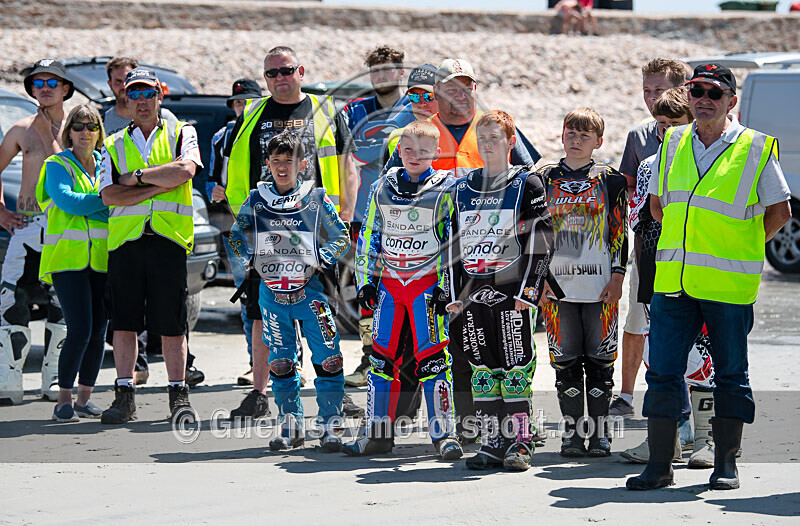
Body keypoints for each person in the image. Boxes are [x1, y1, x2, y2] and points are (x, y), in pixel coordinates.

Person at [627, 64, 791, 491]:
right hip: (673, 283)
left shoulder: (755, 147)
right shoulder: (673, 142)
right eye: (696, 91)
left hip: (727, 286)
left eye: (714, 93)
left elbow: (780, 213)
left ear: (731, 101)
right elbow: (658, 206)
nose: (703, 99)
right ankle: (660, 465)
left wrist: (742, 247)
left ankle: (726, 464)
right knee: (662, 373)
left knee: (730, 375)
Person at [381, 58, 542, 438]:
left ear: (474, 89)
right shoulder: (420, 130)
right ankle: (414, 423)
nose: (459, 94)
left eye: (465, 87)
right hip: (422, 259)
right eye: (450, 87)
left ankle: (501, 427)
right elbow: (391, 189)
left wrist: (532, 276)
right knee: (425, 347)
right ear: (437, 92)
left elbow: (529, 179)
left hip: (486, 263)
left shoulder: (491, 126)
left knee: (493, 349)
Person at [220, 46, 361, 418]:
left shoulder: (325, 110)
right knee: (262, 317)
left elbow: (348, 166)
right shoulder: (251, 114)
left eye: (286, 70)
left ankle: (334, 397)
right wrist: (246, 231)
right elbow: (235, 170)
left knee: (322, 316)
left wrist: (344, 218)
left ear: (301, 71)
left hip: (315, 234)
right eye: (272, 73)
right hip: (266, 236)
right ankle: (260, 393)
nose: (279, 78)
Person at [343, 120, 461, 460]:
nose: (415, 156)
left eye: (423, 151)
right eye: (408, 149)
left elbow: (454, 240)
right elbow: (369, 234)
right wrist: (365, 281)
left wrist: (448, 288)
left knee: (434, 359)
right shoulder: (383, 185)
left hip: (427, 286)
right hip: (391, 287)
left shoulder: (448, 188)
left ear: (436, 152)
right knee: (380, 359)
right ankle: (377, 434)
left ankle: (444, 435)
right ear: (399, 150)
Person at [228, 130, 350, 451]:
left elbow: (341, 236)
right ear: (267, 163)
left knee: (328, 359)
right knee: (281, 362)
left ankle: (331, 425)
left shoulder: (316, 198)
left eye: (290, 160)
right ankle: (290, 425)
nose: (283, 167)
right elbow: (236, 235)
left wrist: (320, 259)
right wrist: (252, 260)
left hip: (312, 294)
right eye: (277, 160)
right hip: (272, 294)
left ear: (303, 164)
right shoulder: (256, 199)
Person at [447, 110, 553, 471]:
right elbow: (452, 245)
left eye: (495, 138)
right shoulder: (462, 187)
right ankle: (492, 440)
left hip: (513, 294)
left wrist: (529, 290)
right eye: (483, 139)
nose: (488, 145)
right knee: (482, 368)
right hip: (473, 294)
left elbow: (543, 238)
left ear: (511, 142)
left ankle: (520, 440)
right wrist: (454, 297)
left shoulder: (527, 183)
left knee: (515, 368)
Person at [98, 67, 203, 424]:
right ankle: (124, 396)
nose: (142, 101)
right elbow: (109, 194)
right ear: (125, 99)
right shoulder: (112, 142)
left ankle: (178, 394)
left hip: (168, 240)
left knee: (172, 325)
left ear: (160, 95)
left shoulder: (182, 132)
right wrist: (160, 183)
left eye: (148, 94)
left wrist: (138, 178)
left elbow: (185, 171)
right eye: (134, 94)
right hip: (126, 243)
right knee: (124, 323)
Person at [622, 88, 719, 468]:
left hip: (697, 270)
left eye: (674, 123)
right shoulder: (650, 164)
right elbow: (640, 216)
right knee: (657, 357)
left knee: (702, 354)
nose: (665, 131)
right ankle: (668, 437)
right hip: (654, 269)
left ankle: (707, 436)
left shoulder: (706, 162)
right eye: (660, 124)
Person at [536, 108, 627, 458]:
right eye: (570, 133)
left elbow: (620, 231)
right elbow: (534, 235)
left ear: (598, 141)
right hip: (556, 289)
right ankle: (572, 435)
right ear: (562, 136)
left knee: (601, 362)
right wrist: (538, 280)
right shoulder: (543, 178)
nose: (576, 140)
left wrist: (618, 276)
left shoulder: (610, 179)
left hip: (600, 287)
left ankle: (600, 434)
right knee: (565, 363)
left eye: (584, 135)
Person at [611, 58, 689, 420]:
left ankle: (688, 403)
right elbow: (628, 189)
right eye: (646, 90)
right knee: (637, 319)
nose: (651, 96)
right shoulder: (639, 137)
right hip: (647, 246)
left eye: (659, 89)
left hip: (688, 250)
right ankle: (627, 395)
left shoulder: (698, 132)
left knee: (682, 326)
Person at [342, 45, 416, 389]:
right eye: (375, 71)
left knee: (412, 292)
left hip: (410, 220)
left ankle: (411, 361)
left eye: (387, 70)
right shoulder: (354, 110)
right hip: (365, 218)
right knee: (369, 294)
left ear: (401, 73)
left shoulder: (416, 106)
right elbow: (347, 156)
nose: (381, 77)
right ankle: (370, 360)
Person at [0, 59, 71, 404]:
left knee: (62, 305)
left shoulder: (80, 127)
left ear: (65, 89)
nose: (45, 88)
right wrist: (1, 210)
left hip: (64, 229)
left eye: (52, 82)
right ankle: (9, 381)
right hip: (26, 228)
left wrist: (47, 134)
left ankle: (54, 379)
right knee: (12, 301)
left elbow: (76, 172)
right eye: (38, 83)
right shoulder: (19, 129)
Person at [35, 105, 109, 421]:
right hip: (67, 259)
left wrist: (100, 203)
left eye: (91, 126)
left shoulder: (108, 163)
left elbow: (116, 205)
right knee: (79, 329)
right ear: (69, 132)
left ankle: (84, 399)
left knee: (99, 332)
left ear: (99, 131)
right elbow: (68, 202)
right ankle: (63, 400)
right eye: (78, 126)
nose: (84, 132)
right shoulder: (56, 164)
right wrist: (106, 200)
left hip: (103, 260)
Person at [207, 78, 266, 393]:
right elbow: (211, 179)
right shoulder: (222, 137)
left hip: (273, 227)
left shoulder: (270, 132)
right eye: (239, 103)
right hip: (237, 227)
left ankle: (290, 360)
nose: (243, 108)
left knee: (284, 293)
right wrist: (214, 190)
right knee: (248, 297)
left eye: (249, 102)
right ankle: (255, 363)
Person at [103, 57, 178, 135]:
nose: (123, 86)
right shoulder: (103, 121)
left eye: (127, 80)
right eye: (118, 82)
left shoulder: (165, 117)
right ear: (110, 85)